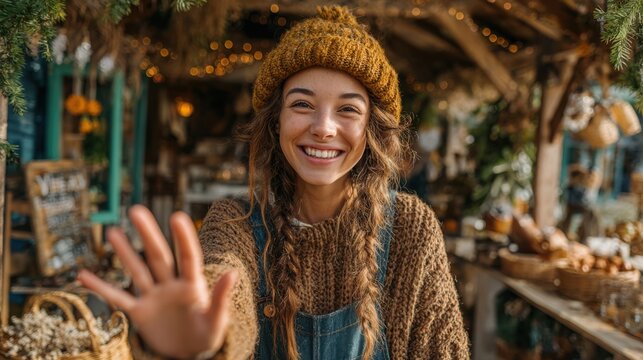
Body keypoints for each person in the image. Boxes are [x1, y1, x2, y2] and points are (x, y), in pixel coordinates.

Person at [78, 5, 469, 359]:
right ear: (276, 119)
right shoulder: (236, 224)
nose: (323, 128)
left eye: (348, 109)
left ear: (372, 128)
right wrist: (208, 337)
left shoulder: (410, 229)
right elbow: (228, 285)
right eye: (302, 104)